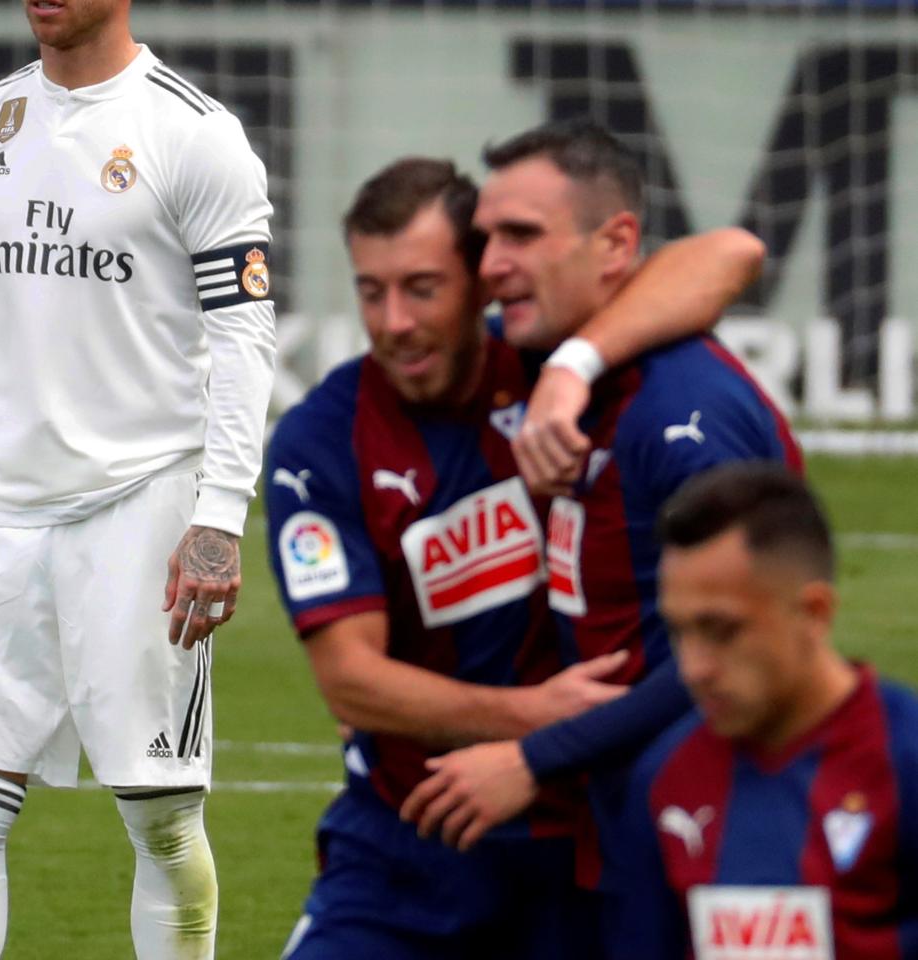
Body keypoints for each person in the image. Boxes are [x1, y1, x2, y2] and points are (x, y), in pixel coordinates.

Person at [265, 155, 766, 959]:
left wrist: (572, 369)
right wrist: (531, 721)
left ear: (481, 282)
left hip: (582, 849)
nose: (393, 321)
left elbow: (731, 254)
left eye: (421, 287)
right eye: (370, 290)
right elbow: (349, 679)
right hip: (409, 842)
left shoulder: (551, 367)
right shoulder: (320, 440)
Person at [0, 1, 277, 956]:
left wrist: (218, 517)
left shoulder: (195, 133)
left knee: (161, 821)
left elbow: (243, 338)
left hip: (140, 510)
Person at [401, 118, 804, 945]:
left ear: (616, 244)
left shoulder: (681, 416)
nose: (491, 266)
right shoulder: (560, 369)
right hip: (627, 815)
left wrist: (531, 758)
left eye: (521, 235)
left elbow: (734, 654)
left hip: (725, 821)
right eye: (484, 239)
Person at [614, 463, 918, 958]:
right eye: (679, 630)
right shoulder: (666, 778)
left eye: (722, 630)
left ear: (814, 612)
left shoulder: (904, 761)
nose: (693, 668)